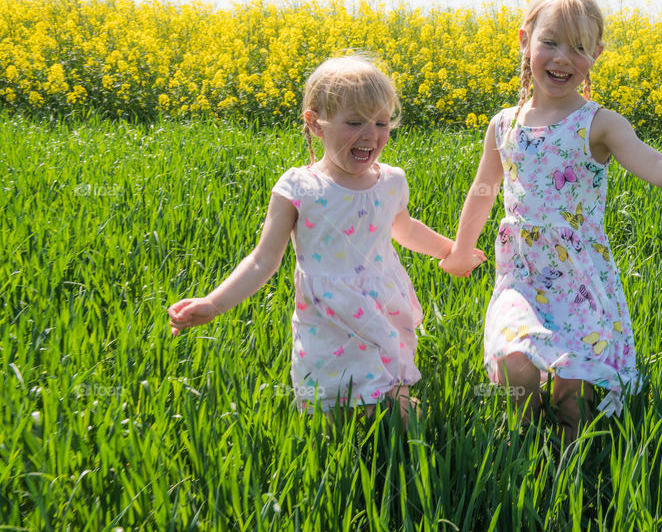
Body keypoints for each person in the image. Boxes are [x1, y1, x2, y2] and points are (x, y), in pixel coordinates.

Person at [440, 0, 662, 443]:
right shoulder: (504, 123)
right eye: (551, 42)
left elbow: (659, 167)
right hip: (522, 272)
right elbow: (484, 190)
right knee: (517, 364)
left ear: (595, 55)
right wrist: (461, 249)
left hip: (578, 275)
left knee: (571, 390)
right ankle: (524, 451)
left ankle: (571, 463)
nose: (563, 58)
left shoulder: (600, 123)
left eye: (579, 48)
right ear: (524, 40)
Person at [168, 55, 483, 424]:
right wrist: (214, 303)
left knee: (390, 393)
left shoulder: (391, 181)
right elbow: (261, 260)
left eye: (381, 123)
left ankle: (408, 443)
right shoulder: (298, 188)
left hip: (381, 303)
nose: (370, 135)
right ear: (315, 123)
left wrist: (452, 251)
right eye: (354, 123)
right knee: (331, 408)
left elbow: (405, 228)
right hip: (325, 313)